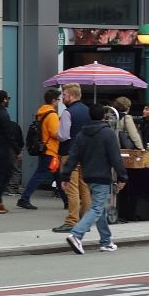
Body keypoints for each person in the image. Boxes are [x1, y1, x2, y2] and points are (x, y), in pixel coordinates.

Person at [62, 106, 127, 255]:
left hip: (88, 176)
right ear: (104, 116)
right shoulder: (108, 134)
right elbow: (115, 157)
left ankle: (106, 241)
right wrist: (122, 176)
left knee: (100, 208)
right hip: (103, 176)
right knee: (97, 208)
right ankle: (76, 234)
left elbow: (73, 156)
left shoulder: (82, 134)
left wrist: (65, 176)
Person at [55, 84, 92, 234]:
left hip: (70, 153)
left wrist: (56, 134)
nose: (63, 98)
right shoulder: (88, 111)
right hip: (85, 153)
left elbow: (63, 135)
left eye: (64, 95)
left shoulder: (67, 113)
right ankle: (85, 221)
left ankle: (72, 221)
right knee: (84, 188)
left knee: (71, 189)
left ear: (70, 95)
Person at [18, 88, 62, 213]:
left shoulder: (42, 112)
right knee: (40, 175)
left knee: (58, 176)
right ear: (53, 100)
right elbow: (55, 133)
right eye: (58, 99)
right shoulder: (52, 115)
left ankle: (67, 201)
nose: (59, 102)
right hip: (50, 149)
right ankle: (24, 198)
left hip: (45, 148)